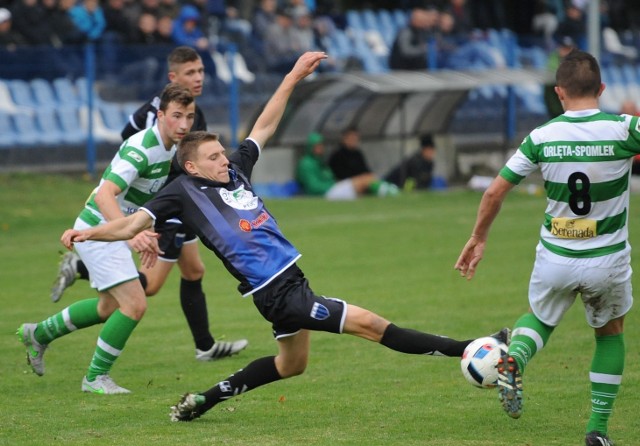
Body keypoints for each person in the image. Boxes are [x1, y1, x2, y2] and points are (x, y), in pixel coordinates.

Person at [60, 51, 510, 421]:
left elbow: (265, 126)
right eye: (214, 156)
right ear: (193, 166)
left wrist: (293, 75)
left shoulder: (234, 171)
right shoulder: (180, 193)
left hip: (291, 280)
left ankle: (205, 399)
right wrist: (89, 234)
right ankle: (470, 346)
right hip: (274, 292)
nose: (224, 160)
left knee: (291, 365)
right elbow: (132, 223)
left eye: (223, 153)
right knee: (372, 326)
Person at [454, 50, 638, 446]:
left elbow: (495, 190)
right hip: (605, 258)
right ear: (602, 89)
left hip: (556, 257)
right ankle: (597, 428)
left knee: (540, 317)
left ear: (559, 93)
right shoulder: (625, 128)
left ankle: (516, 357)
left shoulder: (541, 136)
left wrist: (479, 237)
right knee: (610, 334)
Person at [51, 46, 248, 362]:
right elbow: (129, 155)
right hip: (162, 209)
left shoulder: (190, 112)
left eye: (200, 71)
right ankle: (82, 269)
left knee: (194, 270)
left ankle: (205, 345)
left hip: (181, 206)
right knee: (145, 290)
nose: (198, 78)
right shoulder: (153, 121)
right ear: (173, 77)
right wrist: (135, 222)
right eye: (190, 73)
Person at [17, 83, 196, 394]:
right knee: (135, 305)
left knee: (107, 308)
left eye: (190, 117)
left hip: (111, 231)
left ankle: (39, 333)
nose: (183, 124)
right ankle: (95, 378)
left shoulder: (169, 147)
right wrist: (129, 235)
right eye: (176, 116)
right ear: (160, 114)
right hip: (98, 232)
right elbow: (104, 195)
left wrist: (141, 230)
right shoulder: (142, 148)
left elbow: (133, 200)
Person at [296, 131, 378, 200]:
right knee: (363, 181)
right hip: (325, 192)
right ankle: (388, 192)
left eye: (321, 145)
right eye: (317, 146)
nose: (321, 148)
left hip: (332, 188)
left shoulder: (320, 161)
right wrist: (332, 184)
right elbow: (313, 187)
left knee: (369, 178)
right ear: (311, 147)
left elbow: (330, 176)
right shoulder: (306, 164)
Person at [328, 126, 399, 197]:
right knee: (364, 179)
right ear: (344, 138)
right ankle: (385, 190)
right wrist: (360, 178)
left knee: (370, 177)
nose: (354, 139)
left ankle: (384, 189)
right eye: (351, 137)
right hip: (343, 185)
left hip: (359, 182)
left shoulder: (358, 153)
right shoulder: (337, 155)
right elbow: (337, 175)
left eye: (356, 137)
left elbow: (365, 170)